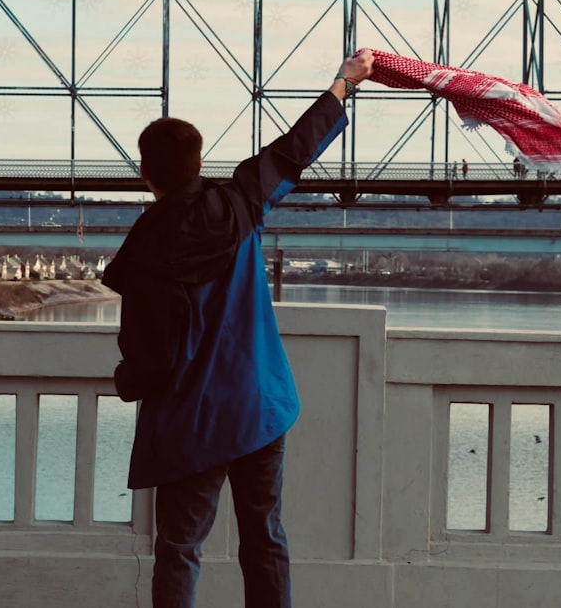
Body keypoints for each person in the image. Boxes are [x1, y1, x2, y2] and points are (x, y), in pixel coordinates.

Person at [102, 49, 374, 608]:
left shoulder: (148, 249)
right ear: (199, 164)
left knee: (179, 548)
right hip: (259, 407)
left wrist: (126, 382)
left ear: (145, 172)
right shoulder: (240, 204)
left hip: (191, 421)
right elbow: (296, 149)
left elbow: (149, 357)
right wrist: (343, 82)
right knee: (265, 538)